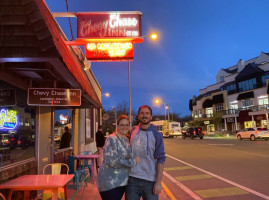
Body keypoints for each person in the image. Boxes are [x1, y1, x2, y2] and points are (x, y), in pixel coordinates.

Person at [126, 105, 166, 200]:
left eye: (147, 113)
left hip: (150, 180)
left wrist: (158, 182)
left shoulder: (157, 135)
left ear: (151, 116)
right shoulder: (133, 130)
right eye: (142, 113)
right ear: (138, 116)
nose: (145, 116)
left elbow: (161, 159)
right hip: (132, 179)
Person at [97, 115, 140, 200]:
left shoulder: (128, 139)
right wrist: (131, 162)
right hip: (109, 182)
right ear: (117, 125)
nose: (124, 127)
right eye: (122, 125)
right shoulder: (111, 139)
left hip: (122, 182)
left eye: (127, 125)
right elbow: (110, 161)